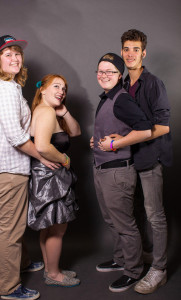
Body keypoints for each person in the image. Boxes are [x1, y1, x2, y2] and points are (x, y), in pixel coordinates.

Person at [0, 35, 56, 300]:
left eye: (17, 53)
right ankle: (9, 288)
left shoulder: (10, 87)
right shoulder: (2, 90)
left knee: (14, 223)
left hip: (10, 168)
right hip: (7, 170)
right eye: (8, 54)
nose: (15, 58)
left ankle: (22, 263)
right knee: (11, 230)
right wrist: (44, 156)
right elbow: (16, 137)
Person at [90, 53, 152, 292]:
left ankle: (133, 271)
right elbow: (115, 128)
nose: (104, 75)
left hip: (117, 173)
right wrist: (97, 142)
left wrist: (116, 145)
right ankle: (121, 259)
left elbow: (146, 130)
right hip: (101, 168)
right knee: (111, 220)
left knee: (125, 225)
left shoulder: (122, 99)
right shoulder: (107, 97)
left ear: (119, 75)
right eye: (101, 70)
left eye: (110, 71)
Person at [120, 29, 173, 294]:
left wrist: (126, 139)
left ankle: (159, 269)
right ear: (122, 52)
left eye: (135, 49)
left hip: (150, 157)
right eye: (126, 49)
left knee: (155, 214)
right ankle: (142, 258)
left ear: (144, 53)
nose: (131, 54)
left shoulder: (153, 84)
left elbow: (163, 127)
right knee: (135, 213)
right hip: (127, 159)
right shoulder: (121, 84)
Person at [27, 74, 81, 287]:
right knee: (57, 228)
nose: (61, 91)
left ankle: (51, 269)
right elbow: (42, 146)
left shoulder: (47, 111)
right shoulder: (46, 112)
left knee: (48, 227)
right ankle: (55, 274)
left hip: (45, 176)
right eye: (56, 86)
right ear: (42, 90)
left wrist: (64, 111)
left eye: (64, 88)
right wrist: (64, 158)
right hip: (51, 177)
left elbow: (76, 131)